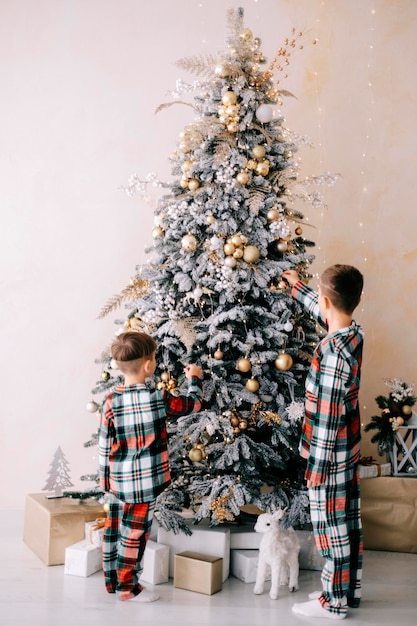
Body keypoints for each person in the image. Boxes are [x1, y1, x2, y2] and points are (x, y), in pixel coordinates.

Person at [282, 264, 364, 621]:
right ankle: (347, 590)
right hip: (348, 452)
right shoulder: (353, 333)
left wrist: (316, 468)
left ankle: (333, 603)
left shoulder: (332, 354)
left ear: (328, 300)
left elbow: (328, 417)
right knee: (347, 523)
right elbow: (325, 307)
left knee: (331, 531)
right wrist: (297, 287)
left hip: (328, 458)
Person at [98, 331, 203, 602]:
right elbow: (193, 405)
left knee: (115, 529)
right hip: (145, 485)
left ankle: (112, 582)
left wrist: (103, 480)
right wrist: (194, 379)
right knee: (135, 535)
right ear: (148, 365)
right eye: (154, 357)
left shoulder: (110, 401)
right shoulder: (158, 398)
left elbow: (103, 444)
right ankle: (128, 589)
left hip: (118, 482)